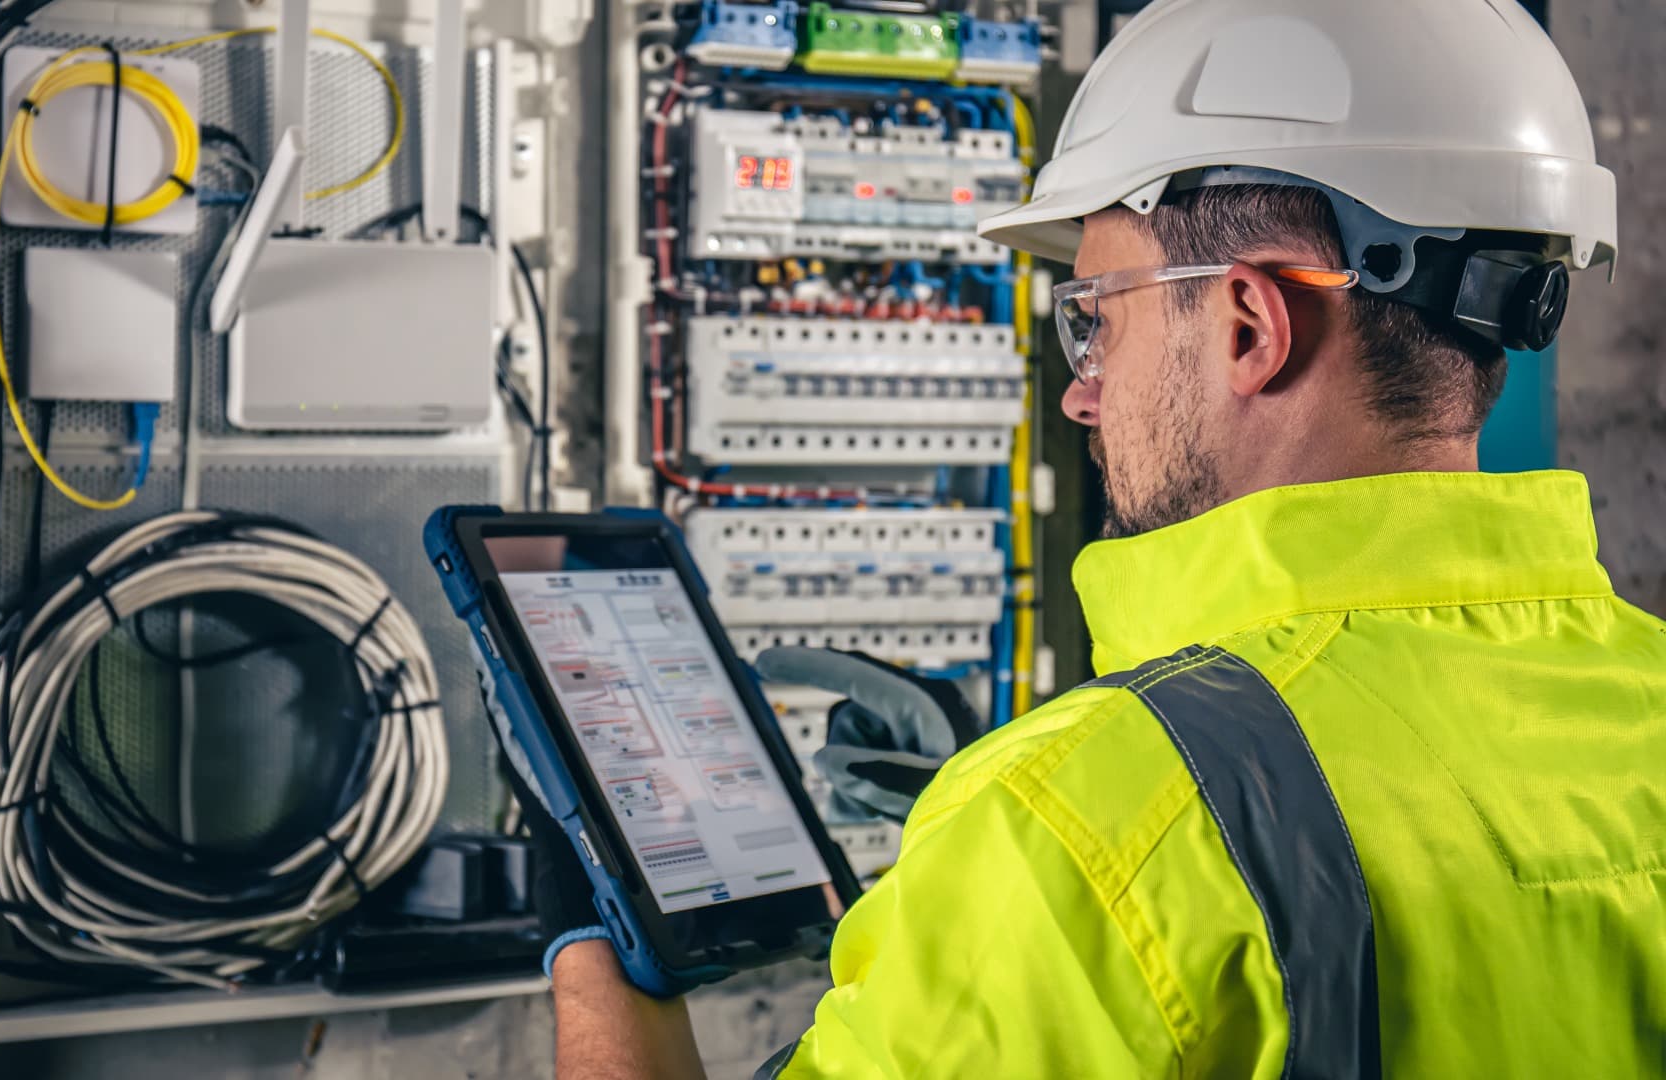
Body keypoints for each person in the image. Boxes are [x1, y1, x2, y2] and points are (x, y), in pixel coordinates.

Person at [539, 0, 1666, 1075]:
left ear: (1246, 326)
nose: (1082, 397)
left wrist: (586, 924)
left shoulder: (1071, 833)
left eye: (1098, 320)